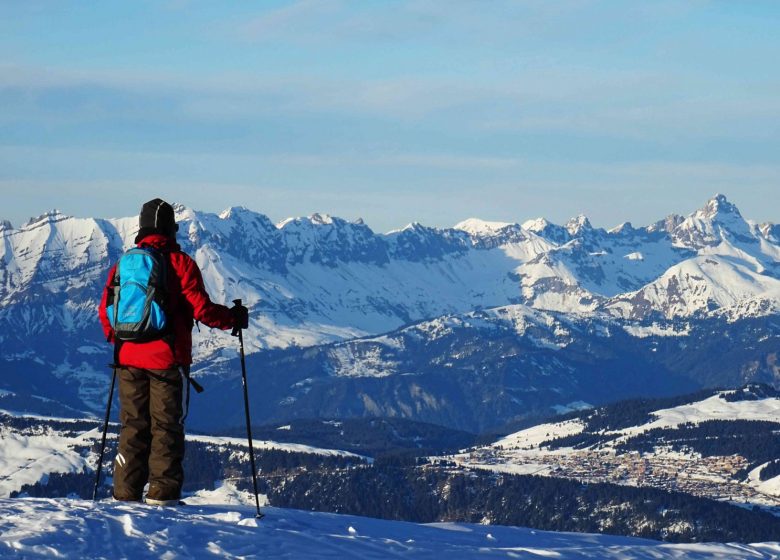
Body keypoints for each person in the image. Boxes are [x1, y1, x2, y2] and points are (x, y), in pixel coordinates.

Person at [98, 198, 249, 505]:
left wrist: (119, 341)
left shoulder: (124, 264)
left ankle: (125, 494)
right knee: (165, 426)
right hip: (166, 360)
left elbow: (106, 310)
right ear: (170, 229)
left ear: (142, 229)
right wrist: (233, 318)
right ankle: (162, 495)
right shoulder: (180, 263)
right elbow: (203, 310)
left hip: (127, 359)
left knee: (133, 426)